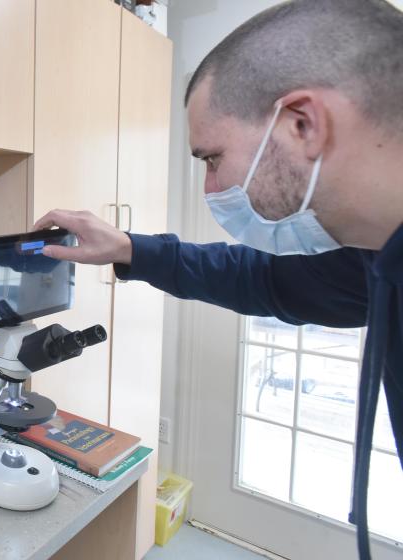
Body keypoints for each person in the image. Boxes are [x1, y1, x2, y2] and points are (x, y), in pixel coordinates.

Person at [34, 1, 402, 558]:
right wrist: (131, 248)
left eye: (212, 158)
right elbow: (262, 279)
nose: (210, 192)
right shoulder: (375, 256)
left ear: (303, 123)